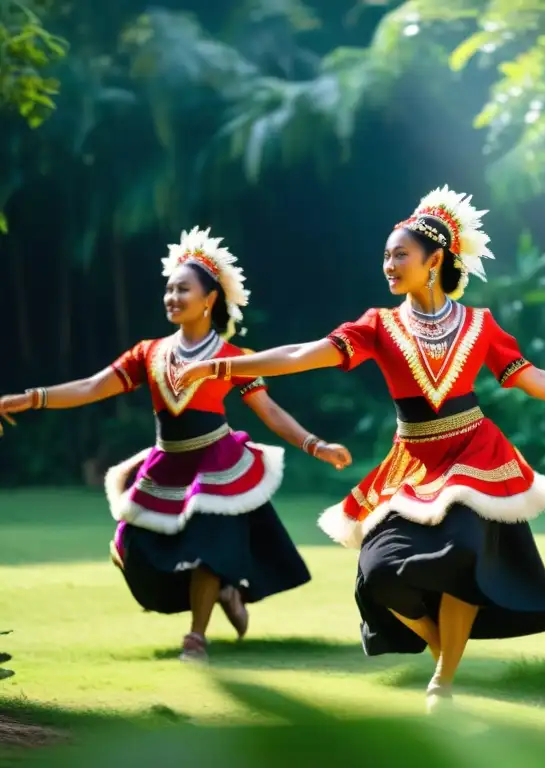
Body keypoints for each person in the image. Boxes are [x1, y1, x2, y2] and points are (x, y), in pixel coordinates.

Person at [172, 186, 545, 710]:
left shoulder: (480, 324)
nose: (388, 263)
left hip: (476, 455)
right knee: (379, 573)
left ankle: (444, 682)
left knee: (468, 553)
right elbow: (299, 354)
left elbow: (536, 380)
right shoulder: (377, 325)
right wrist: (221, 365)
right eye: (385, 255)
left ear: (433, 262)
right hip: (411, 463)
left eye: (399, 254)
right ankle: (443, 651)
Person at [0, 227, 351, 662]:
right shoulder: (147, 353)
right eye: (168, 288)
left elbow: (271, 412)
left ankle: (196, 637)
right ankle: (223, 590)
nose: (172, 296)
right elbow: (92, 387)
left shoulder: (234, 357)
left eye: (183, 289)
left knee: (208, 546)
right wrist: (30, 397)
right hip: (166, 463)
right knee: (127, 549)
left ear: (209, 300)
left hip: (216, 463)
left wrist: (316, 445)